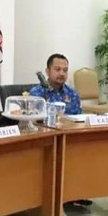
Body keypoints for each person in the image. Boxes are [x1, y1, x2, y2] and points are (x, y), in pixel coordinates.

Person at [30, 54, 90, 207]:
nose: (61, 73)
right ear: (47, 71)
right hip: (45, 141)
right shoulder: (37, 93)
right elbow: (32, 121)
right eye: (57, 69)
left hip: (69, 140)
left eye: (65, 70)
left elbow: (79, 119)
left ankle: (74, 193)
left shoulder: (73, 93)